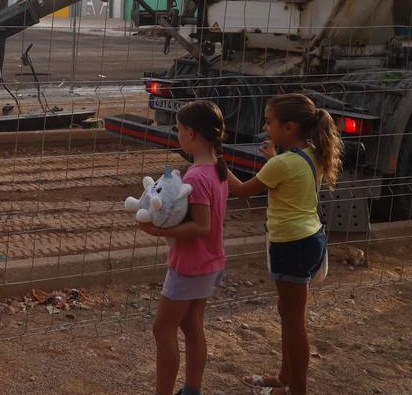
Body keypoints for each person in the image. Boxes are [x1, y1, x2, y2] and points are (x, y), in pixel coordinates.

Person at [229, 93, 340, 395]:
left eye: (269, 122)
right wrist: (273, 158)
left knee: (293, 323)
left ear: (289, 127)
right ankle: (284, 378)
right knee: (290, 315)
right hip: (311, 238)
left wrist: (215, 161)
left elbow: (240, 190)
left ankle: (296, 390)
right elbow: (289, 172)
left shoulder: (282, 164)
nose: (265, 128)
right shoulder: (310, 152)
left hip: (290, 245)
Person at [137, 100, 230, 395]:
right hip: (209, 262)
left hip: (189, 265)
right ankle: (192, 390)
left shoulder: (196, 177)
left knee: (162, 330)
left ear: (191, 133)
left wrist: (156, 229)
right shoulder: (217, 169)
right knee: (192, 325)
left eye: (178, 129)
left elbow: (202, 227)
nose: (176, 133)